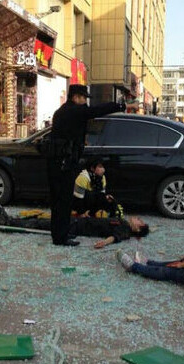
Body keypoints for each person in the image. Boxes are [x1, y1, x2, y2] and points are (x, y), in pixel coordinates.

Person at [46, 85, 137, 247]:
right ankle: (60, 237)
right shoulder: (73, 111)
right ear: (75, 97)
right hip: (63, 163)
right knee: (64, 201)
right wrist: (122, 106)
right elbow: (96, 111)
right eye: (83, 98)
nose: (84, 102)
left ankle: (59, 233)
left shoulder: (62, 111)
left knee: (58, 201)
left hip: (58, 161)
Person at [0, 206, 148, 249]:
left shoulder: (125, 229)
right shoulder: (124, 223)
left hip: (76, 226)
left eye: (139, 221)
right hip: (78, 221)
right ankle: (14, 220)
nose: (137, 218)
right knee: (43, 219)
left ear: (138, 229)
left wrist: (104, 243)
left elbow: (115, 238)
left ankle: (9, 222)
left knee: (43, 224)